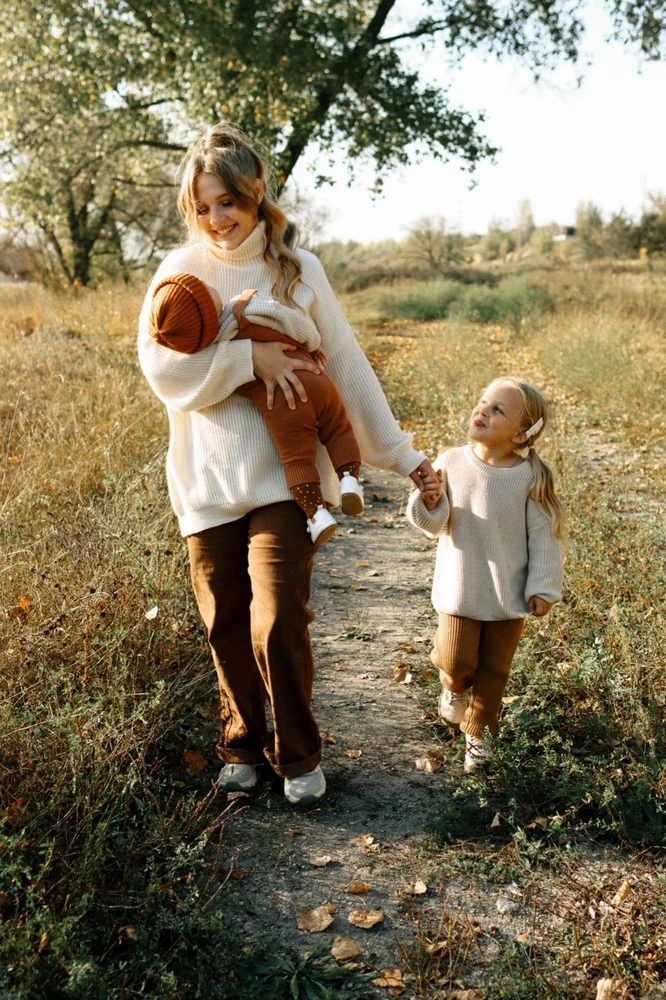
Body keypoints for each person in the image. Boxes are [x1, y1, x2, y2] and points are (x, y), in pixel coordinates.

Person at [137, 123, 437, 805]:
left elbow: (350, 369)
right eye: (203, 206)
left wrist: (404, 456)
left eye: (228, 202)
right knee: (225, 621)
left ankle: (298, 755)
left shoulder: (299, 272)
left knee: (278, 617)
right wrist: (249, 359)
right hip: (208, 479)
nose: (217, 219)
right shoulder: (178, 274)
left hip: (285, 476)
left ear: (257, 192)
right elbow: (161, 370)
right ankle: (241, 746)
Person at [406, 377, 564, 772]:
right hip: (461, 589)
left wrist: (543, 587)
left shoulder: (531, 478)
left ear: (521, 434)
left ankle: (478, 734)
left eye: (498, 410)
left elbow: (544, 537)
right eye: (483, 402)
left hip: (508, 597)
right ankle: (453, 686)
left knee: (494, 672)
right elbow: (437, 523)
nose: (483, 411)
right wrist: (427, 500)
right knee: (458, 660)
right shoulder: (451, 461)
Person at [148, 273, 364, 549]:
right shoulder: (245, 307)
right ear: (206, 304)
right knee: (338, 429)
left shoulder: (213, 350)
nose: (212, 284)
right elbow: (293, 323)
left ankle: (316, 514)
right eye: (206, 288)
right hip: (312, 380)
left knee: (296, 459)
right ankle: (349, 480)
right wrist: (311, 343)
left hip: (281, 407)